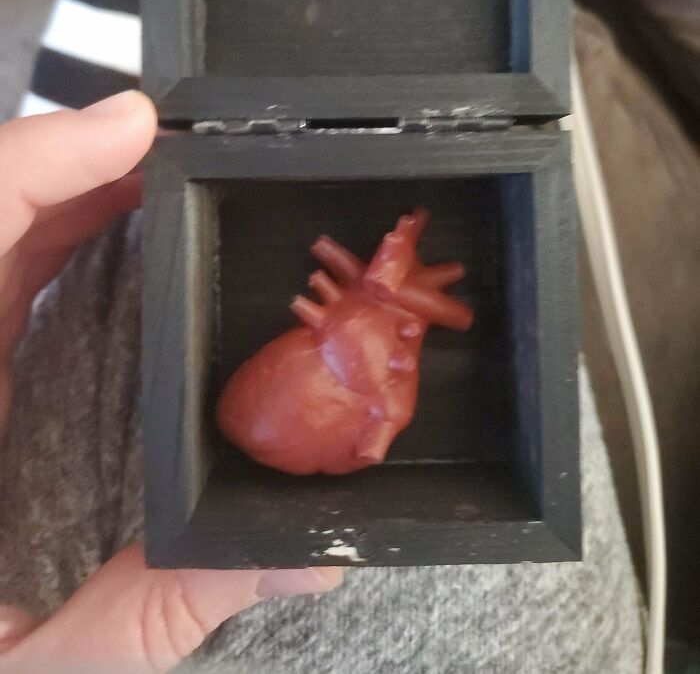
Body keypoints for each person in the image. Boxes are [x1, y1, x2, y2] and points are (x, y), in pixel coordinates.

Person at [0, 91, 643, 673]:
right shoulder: (367, 366)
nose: (405, 339)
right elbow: (373, 400)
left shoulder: (372, 360)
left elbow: (375, 393)